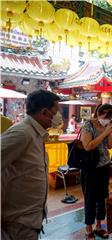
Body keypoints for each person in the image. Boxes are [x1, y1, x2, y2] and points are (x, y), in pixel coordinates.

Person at [1, 90, 60, 240]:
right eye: (55, 112)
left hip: (30, 220)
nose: (58, 117)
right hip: (19, 222)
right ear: (44, 112)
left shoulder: (36, 134)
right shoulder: (22, 133)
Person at [80, 103, 112, 240]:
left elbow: (110, 145)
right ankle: (88, 227)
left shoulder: (105, 126)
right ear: (97, 114)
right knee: (90, 198)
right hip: (91, 168)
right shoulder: (88, 125)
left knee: (102, 197)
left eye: (110, 117)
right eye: (105, 116)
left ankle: (99, 226)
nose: (106, 119)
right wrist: (104, 133)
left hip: (104, 166)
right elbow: (88, 146)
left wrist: (109, 133)